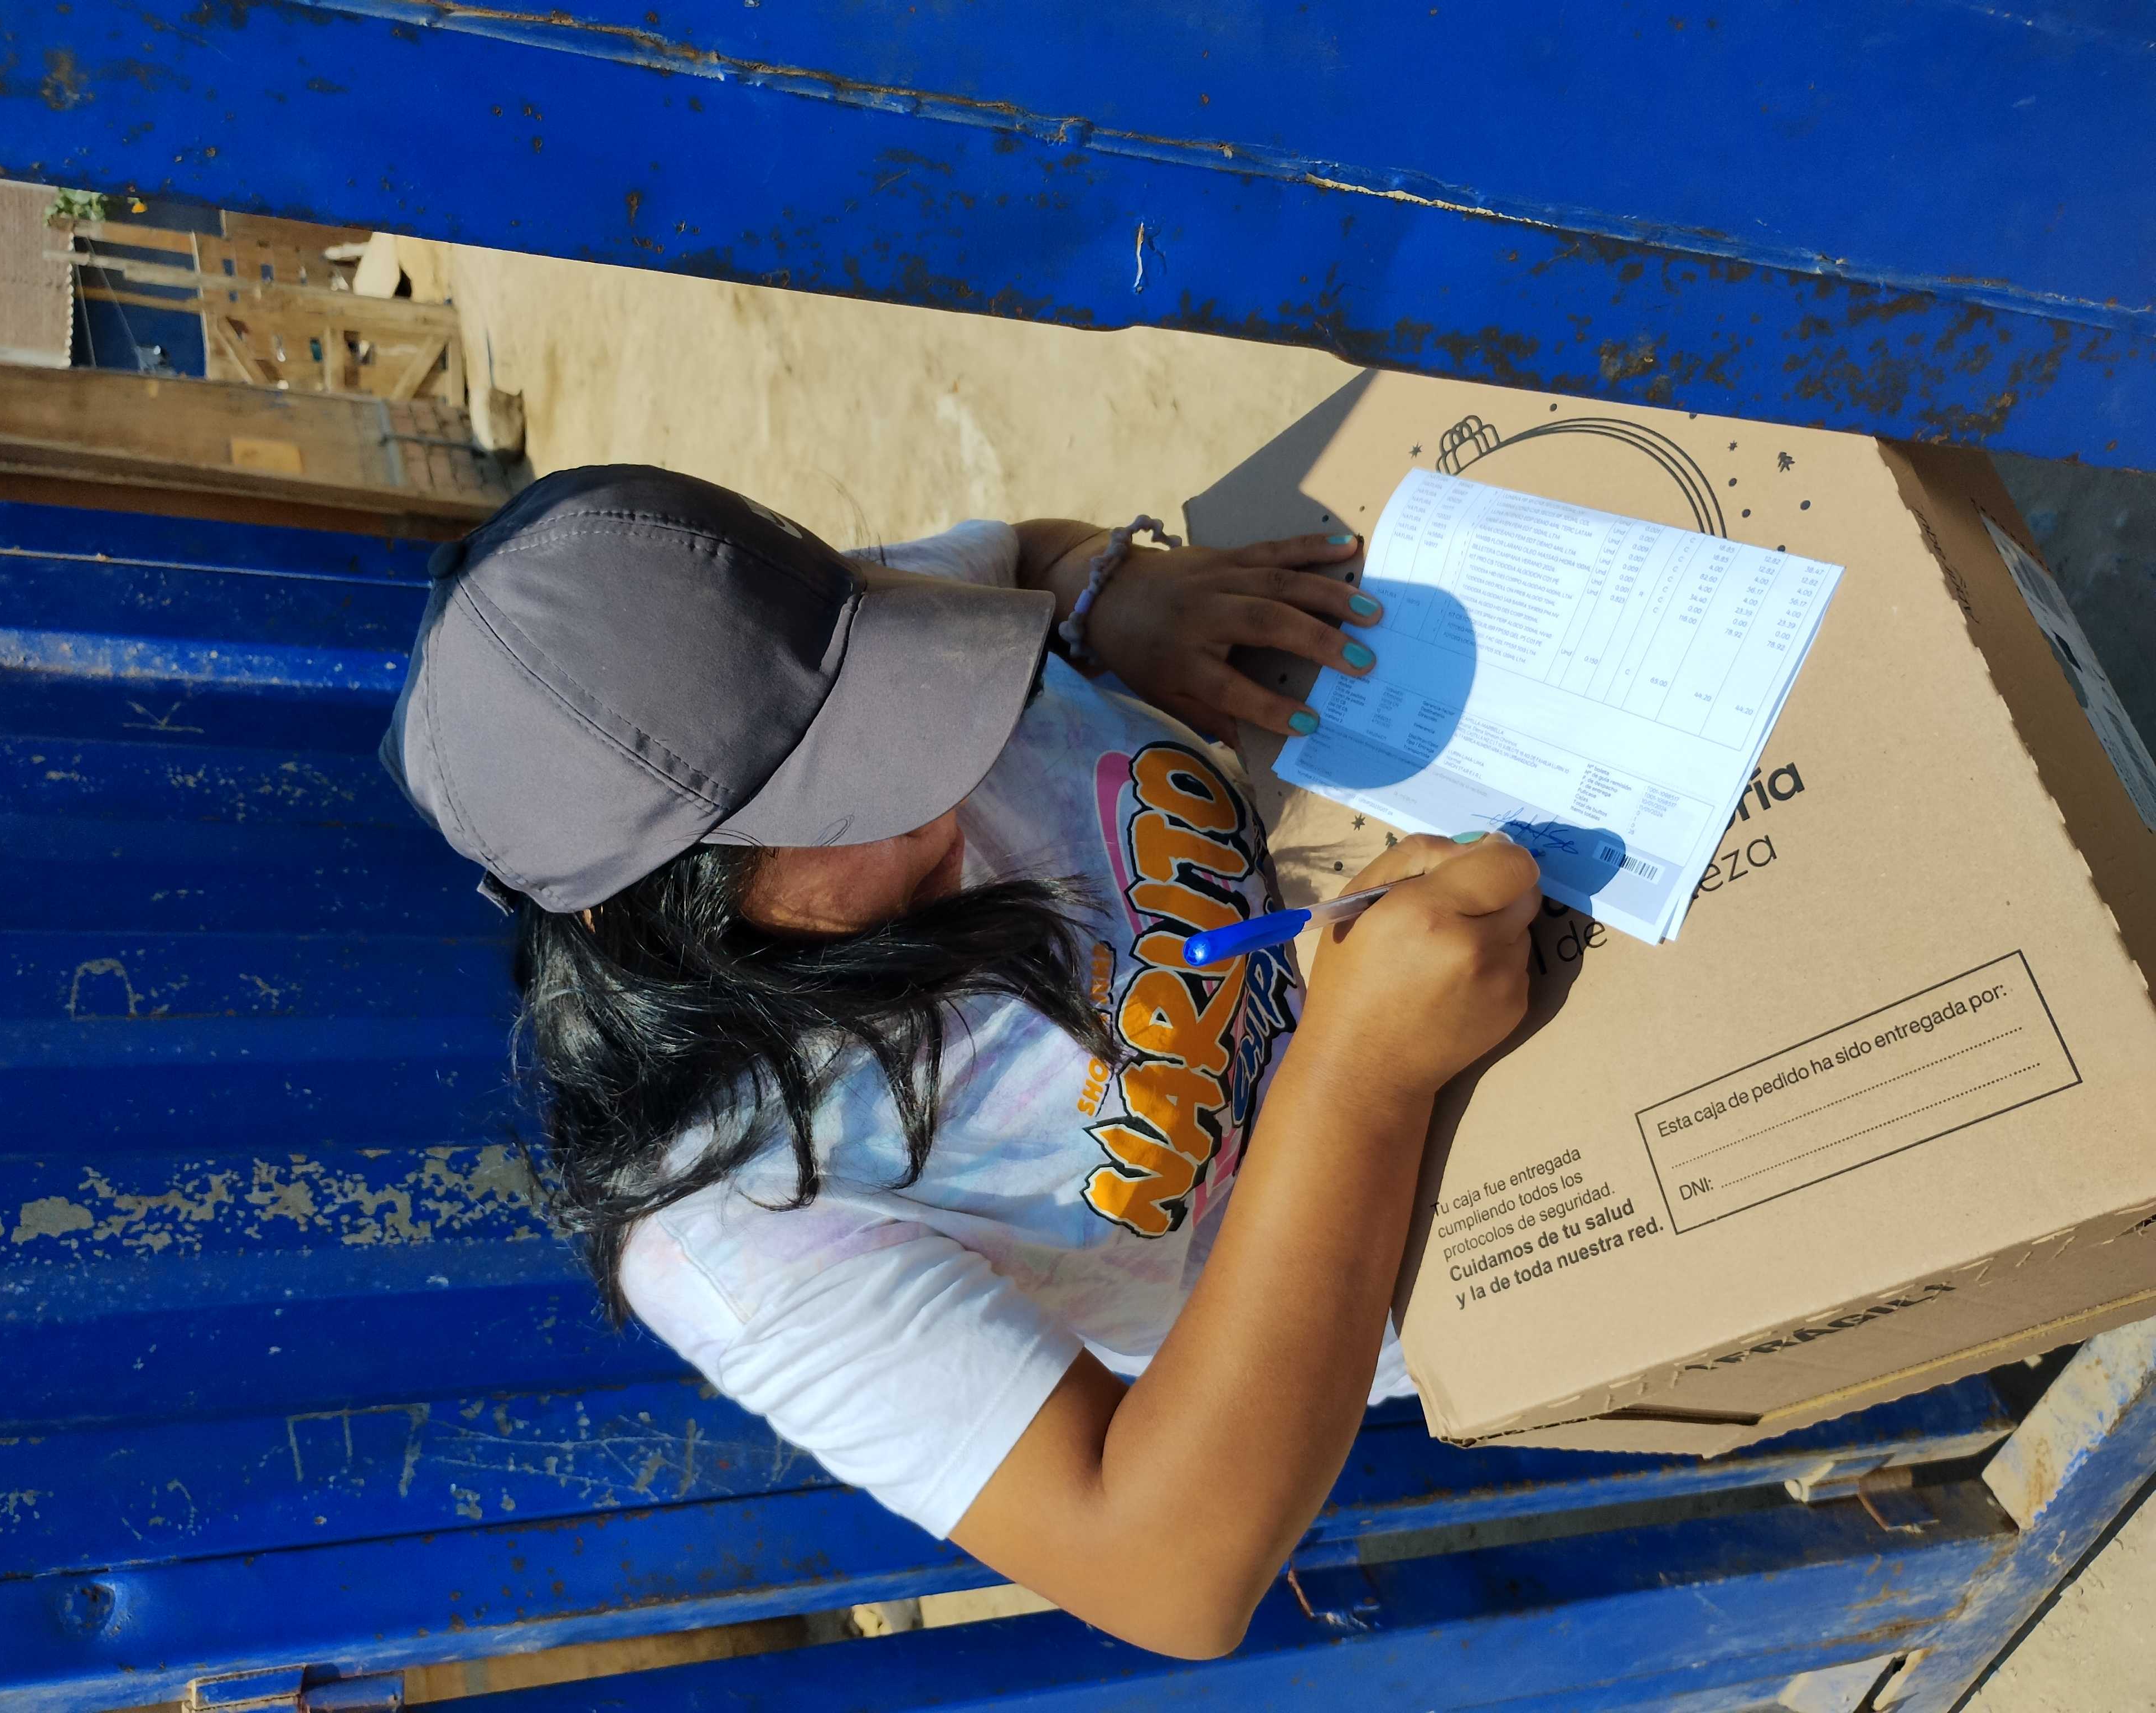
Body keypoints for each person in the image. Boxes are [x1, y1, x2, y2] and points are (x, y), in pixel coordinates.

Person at [380, 464, 1540, 1658]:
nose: (942, 795)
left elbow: (1023, 557)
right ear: (661, 913)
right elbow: (1167, 1575)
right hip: (1475, 1236)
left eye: (893, 699)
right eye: (841, 796)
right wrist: (1360, 1077)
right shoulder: (740, 1223)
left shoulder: (819, 638)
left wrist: (1108, 593)